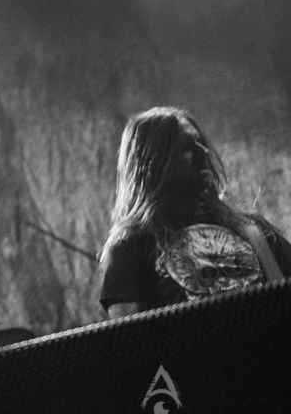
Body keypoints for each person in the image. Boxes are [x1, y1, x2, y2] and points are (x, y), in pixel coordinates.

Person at [98, 106, 291, 319]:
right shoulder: (129, 247)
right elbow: (129, 337)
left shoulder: (255, 231)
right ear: (153, 162)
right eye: (187, 146)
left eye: (201, 143)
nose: (203, 153)